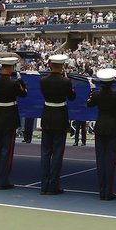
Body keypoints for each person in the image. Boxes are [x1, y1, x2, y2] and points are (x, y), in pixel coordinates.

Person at [86, 68, 116, 200]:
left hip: (100, 127)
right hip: (113, 128)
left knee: (100, 160)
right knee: (110, 161)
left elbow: (89, 103)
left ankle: (102, 191)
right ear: (112, 82)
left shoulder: (96, 95)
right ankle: (108, 191)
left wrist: (91, 90)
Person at [38, 54, 75, 195]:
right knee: (58, 153)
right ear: (62, 66)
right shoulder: (66, 81)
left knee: (45, 153)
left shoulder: (43, 81)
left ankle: (44, 185)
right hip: (60, 116)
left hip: (47, 116)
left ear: (51, 65)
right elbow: (71, 97)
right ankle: (53, 185)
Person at [0, 56, 27, 189]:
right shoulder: (14, 83)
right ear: (11, 68)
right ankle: (3, 180)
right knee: (6, 150)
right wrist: (21, 81)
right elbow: (24, 94)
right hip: (10, 117)